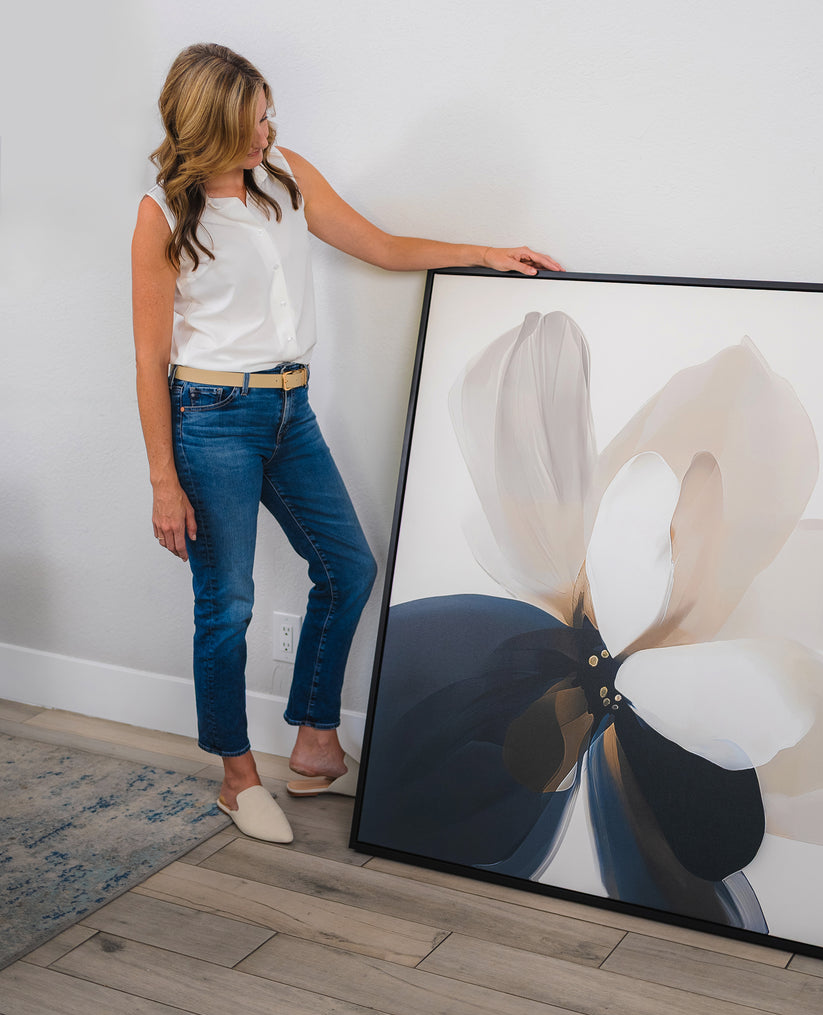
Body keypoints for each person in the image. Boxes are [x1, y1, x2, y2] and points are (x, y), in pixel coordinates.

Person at [132, 42, 563, 844]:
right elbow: (149, 358)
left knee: (349, 567)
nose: (268, 130)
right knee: (226, 606)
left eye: (268, 114)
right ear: (212, 124)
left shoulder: (285, 176)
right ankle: (236, 778)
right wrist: (163, 478)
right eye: (253, 120)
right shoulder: (162, 213)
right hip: (210, 418)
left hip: (291, 411)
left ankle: (316, 748)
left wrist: (485, 254)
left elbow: (380, 245)